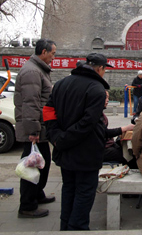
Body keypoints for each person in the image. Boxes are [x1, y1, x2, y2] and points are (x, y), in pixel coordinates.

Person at [43, 53, 113, 231]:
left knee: (68, 189)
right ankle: (77, 228)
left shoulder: (60, 84)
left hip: (64, 151)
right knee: (84, 192)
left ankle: (65, 226)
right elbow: (87, 123)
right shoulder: (97, 89)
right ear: (100, 68)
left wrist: (56, 137)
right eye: (105, 69)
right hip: (86, 153)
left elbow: (48, 112)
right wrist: (63, 139)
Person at [14, 38, 57, 219]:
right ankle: (27, 205)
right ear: (44, 52)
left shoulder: (39, 70)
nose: (54, 57)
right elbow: (30, 103)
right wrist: (33, 130)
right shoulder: (32, 72)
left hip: (39, 128)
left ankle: (37, 194)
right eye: (53, 53)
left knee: (42, 162)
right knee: (32, 165)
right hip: (35, 130)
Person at [103, 91, 134, 164]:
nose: (107, 100)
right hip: (101, 149)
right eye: (105, 97)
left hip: (108, 144)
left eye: (108, 97)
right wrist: (124, 129)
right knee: (128, 155)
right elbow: (104, 132)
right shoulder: (94, 114)